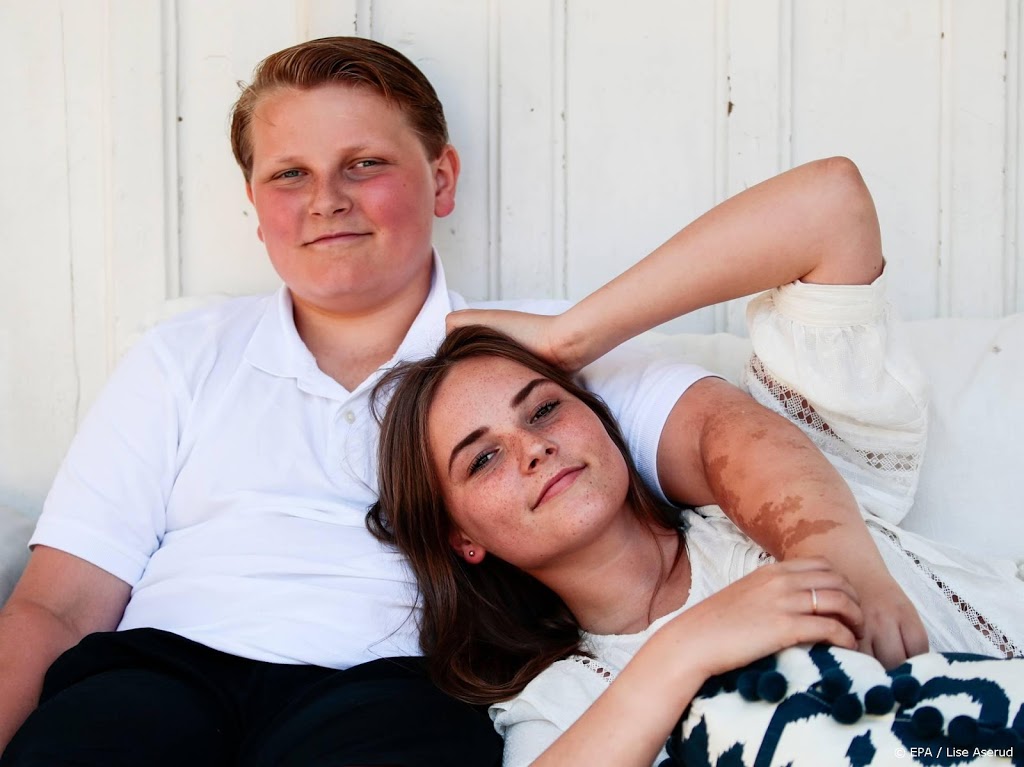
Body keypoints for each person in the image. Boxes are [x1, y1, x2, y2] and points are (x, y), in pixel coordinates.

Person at [0, 37, 914, 765]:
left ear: (441, 178)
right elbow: (59, 609)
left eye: (364, 163)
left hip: (394, 686)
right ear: (255, 201)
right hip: (166, 670)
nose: (326, 199)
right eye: (290, 174)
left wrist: (571, 339)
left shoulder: (526, 369)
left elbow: (723, 434)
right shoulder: (181, 355)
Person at [369, 174, 1024, 765]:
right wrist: (683, 650)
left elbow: (832, 207)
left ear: (600, 420)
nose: (532, 448)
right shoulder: (566, 702)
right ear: (463, 537)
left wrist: (567, 337)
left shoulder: (782, 493)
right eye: (483, 458)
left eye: (544, 409)